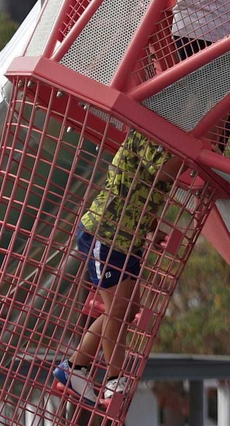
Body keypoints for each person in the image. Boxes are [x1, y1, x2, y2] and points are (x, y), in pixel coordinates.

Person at [53, 131, 183, 407]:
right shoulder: (148, 133)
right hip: (106, 233)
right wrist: (197, 151)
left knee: (128, 308)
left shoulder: (166, 140)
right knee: (118, 308)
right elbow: (161, 171)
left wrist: (151, 228)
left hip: (127, 239)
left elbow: (144, 190)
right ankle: (114, 380)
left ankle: (75, 366)